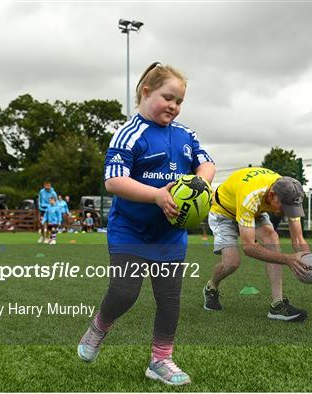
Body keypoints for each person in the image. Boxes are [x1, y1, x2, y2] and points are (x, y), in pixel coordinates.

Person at [77, 62, 215, 386]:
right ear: (146, 91)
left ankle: (160, 360)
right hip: (131, 231)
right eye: (169, 97)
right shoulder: (129, 134)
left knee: (169, 299)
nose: (174, 106)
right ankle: (100, 325)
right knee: (124, 293)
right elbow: (114, 181)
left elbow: (207, 164)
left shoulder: (186, 135)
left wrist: (200, 185)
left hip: (170, 235)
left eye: (180, 101)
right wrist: (156, 196)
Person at [203, 167, 311, 322]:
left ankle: (277, 305)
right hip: (223, 211)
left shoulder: (289, 193)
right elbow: (248, 248)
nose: (288, 212)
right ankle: (211, 286)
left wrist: (310, 261)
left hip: (255, 212)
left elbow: (298, 239)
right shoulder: (251, 196)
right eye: (285, 208)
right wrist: (288, 259)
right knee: (232, 263)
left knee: (272, 238)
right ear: (272, 195)